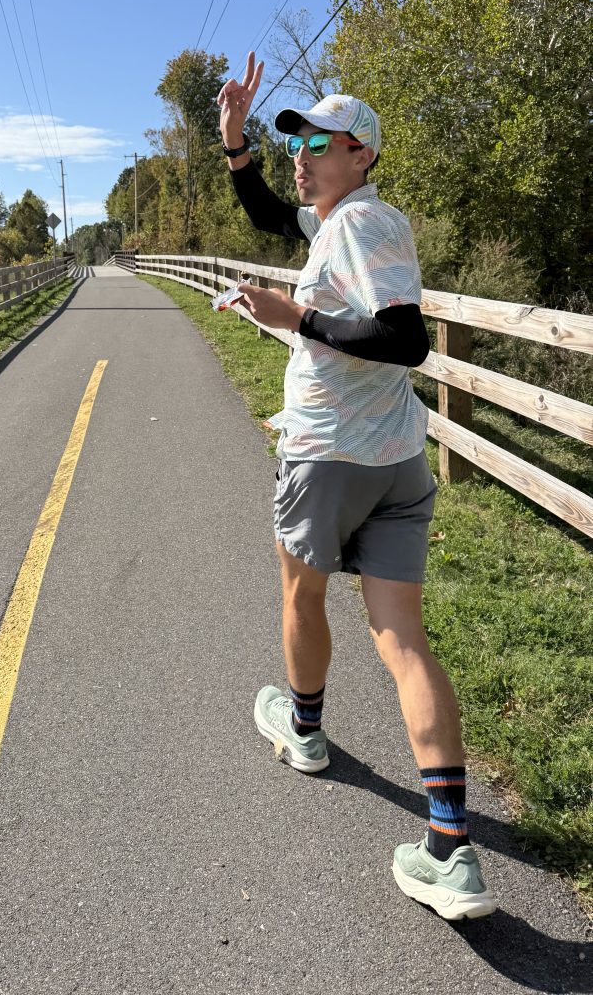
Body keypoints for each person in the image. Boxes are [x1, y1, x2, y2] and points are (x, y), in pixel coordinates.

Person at [216, 52, 497, 921]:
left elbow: (406, 340)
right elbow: (271, 213)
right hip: (393, 463)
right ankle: (449, 848)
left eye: (318, 145)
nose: (298, 156)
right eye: (292, 141)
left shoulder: (362, 226)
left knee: (302, 597)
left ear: (363, 153)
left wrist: (292, 316)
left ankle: (303, 734)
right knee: (402, 638)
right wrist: (236, 151)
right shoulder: (341, 220)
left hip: (331, 456)